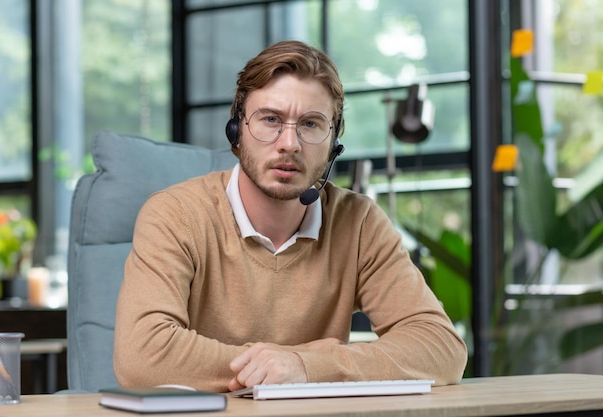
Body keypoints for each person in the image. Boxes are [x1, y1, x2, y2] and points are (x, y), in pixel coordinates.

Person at [113, 40, 467, 393]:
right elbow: (142, 357)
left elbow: (441, 348)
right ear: (237, 128)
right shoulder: (176, 215)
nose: (289, 143)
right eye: (271, 119)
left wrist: (304, 366)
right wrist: (289, 364)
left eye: (311, 124)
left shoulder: (359, 223)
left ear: (333, 143)